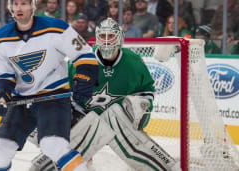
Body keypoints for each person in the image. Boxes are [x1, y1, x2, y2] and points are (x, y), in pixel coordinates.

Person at [30, 18, 180, 171]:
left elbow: (146, 90)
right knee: (42, 165)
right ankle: (81, 159)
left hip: (120, 122)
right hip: (84, 119)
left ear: (120, 38)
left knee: (122, 126)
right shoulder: (80, 61)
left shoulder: (133, 62)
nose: (107, 41)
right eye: (103, 36)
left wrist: (143, 106)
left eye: (111, 36)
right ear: (97, 38)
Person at [0, 0, 98, 171]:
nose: (19, 8)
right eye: (15, 3)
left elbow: (84, 55)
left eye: (24, 3)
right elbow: (3, 75)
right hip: (21, 100)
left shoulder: (57, 28)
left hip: (54, 97)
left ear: (33, 6)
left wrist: (84, 79)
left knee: (53, 145)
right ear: (10, 7)